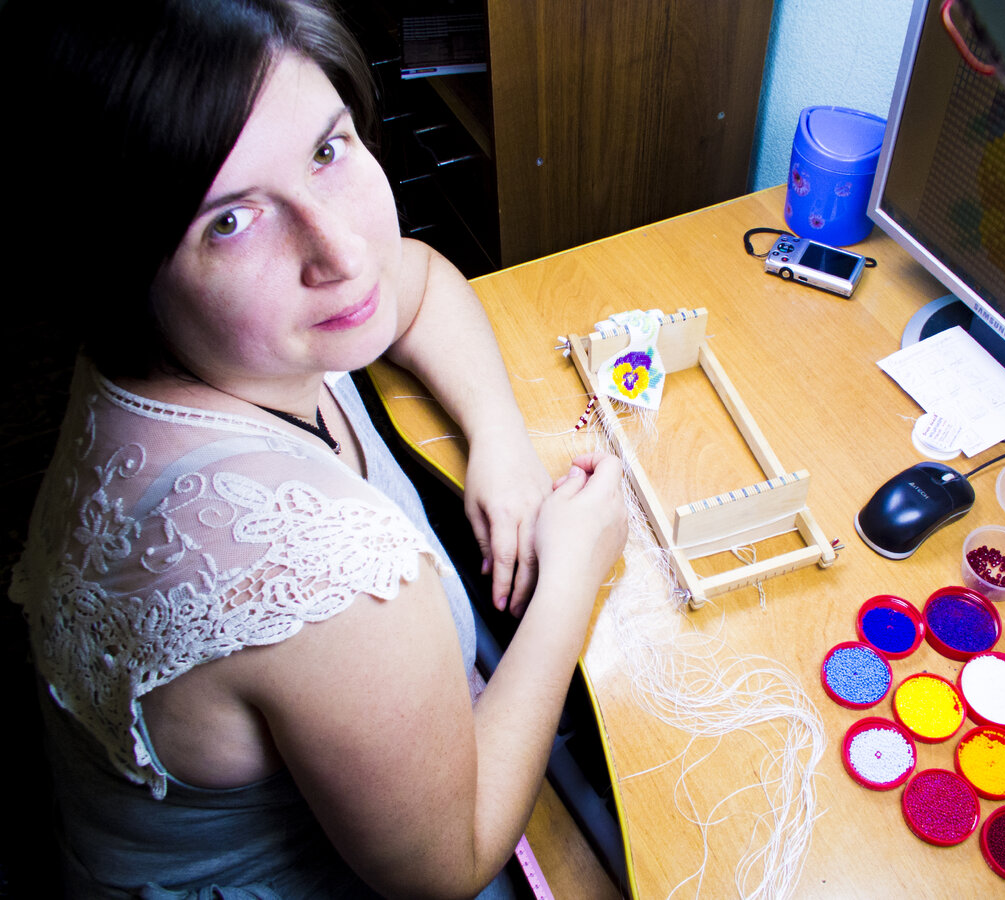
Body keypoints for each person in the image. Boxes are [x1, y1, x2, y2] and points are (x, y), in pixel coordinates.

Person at [2, 0, 629, 896]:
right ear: (123, 267)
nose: (342, 253)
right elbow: (446, 864)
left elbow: (414, 280)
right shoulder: (313, 575)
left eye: (327, 151)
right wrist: (572, 578)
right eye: (230, 222)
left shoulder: (177, 343)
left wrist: (498, 437)